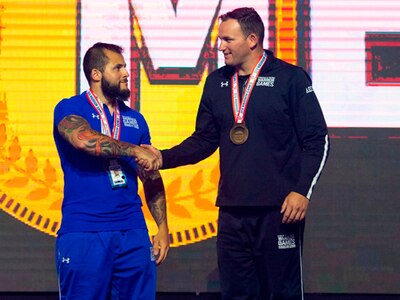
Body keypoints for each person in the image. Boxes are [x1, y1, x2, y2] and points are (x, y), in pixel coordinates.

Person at [141, 7, 329, 300]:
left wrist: (302, 191)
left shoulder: (290, 79)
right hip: (231, 211)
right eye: (219, 39)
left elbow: (317, 139)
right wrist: (164, 158)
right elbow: (204, 140)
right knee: (236, 293)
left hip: (279, 210)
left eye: (227, 39)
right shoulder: (216, 83)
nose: (219, 46)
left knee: (282, 293)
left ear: (252, 40)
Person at [53, 42, 169, 300]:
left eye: (125, 66)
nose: (126, 73)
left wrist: (162, 227)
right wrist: (134, 150)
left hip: (133, 230)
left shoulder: (136, 119)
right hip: (84, 229)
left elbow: (150, 175)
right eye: (117, 67)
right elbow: (83, 139)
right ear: (96, 74)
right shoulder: (70, 108)